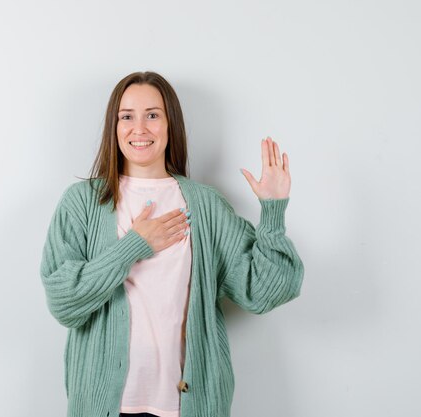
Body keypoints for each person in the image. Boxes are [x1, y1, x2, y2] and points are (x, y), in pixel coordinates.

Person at [39, 71, 304, 417]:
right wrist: (134, 246)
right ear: (113, 126)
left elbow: (264, 291)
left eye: (152, 115)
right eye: (127, 117)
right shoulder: (82, 202)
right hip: (104, 405)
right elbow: (63, 302)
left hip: (187, 405)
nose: (140, 128)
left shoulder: (205, 205)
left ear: (169, 124)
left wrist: (272, 212)